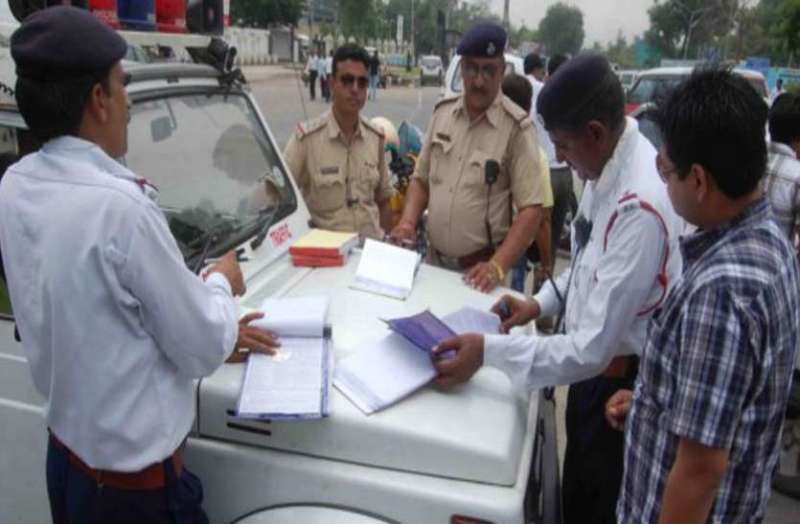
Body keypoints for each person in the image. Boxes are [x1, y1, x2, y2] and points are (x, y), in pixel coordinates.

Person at [0, 7, 277, 523]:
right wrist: (219, 283)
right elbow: (199, 345)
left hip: (66, 463)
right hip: (134, 495)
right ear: (98, 100)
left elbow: (97, 314)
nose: (128, 104)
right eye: (122, 86)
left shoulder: (16, 185)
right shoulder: (120, 210)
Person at [431, 53, 683, 524]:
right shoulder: (606, 166)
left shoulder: (640, 207)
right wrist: (535, 304)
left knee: (594, 507)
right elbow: (587, 264)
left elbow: (591, 348)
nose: (560, 158)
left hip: (614, 393)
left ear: (595, 132)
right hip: (589, 377)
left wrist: (486, 353)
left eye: (564, 145)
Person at [604, 67, 800, 524]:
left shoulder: (721, 292)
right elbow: (736, 397)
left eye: (666, 169)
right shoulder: (771, 242)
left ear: (698, 180)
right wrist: (657, 402)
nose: (662, 180)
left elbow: (699, 472)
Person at [389, 23, 544, 293]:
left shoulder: (517, 129)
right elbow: (420, 180)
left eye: (488, 70)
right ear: (461, 69)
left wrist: (497, 266)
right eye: (472, 68)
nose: (479, 80)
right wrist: (407, 223)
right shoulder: (442, 114)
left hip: (481, 276)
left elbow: (532, 210)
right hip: (432, 265)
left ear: (502, 70)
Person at [284, 44, 393, 240]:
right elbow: (277, 199)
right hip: (328, 262)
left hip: (369, 253)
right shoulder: (307, 140)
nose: (355, 89)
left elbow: (384, 201)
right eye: (347, 80)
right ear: (332, 83)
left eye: (362, 82)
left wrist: (384, 249)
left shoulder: (375, 138)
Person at [500, 73, 554, 293]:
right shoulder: (535, 155)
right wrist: (547, 262)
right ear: (529, 105)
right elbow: (543, 219)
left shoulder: (485, 143)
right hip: (516, 248)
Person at [527, 52, 573, 294]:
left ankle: (537, 301)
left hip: (542, 171)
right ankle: (543, 302)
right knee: (551, 243)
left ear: (547, 74)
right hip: (563, 175)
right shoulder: (573, 102)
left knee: (534, 238)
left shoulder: (539, 98)